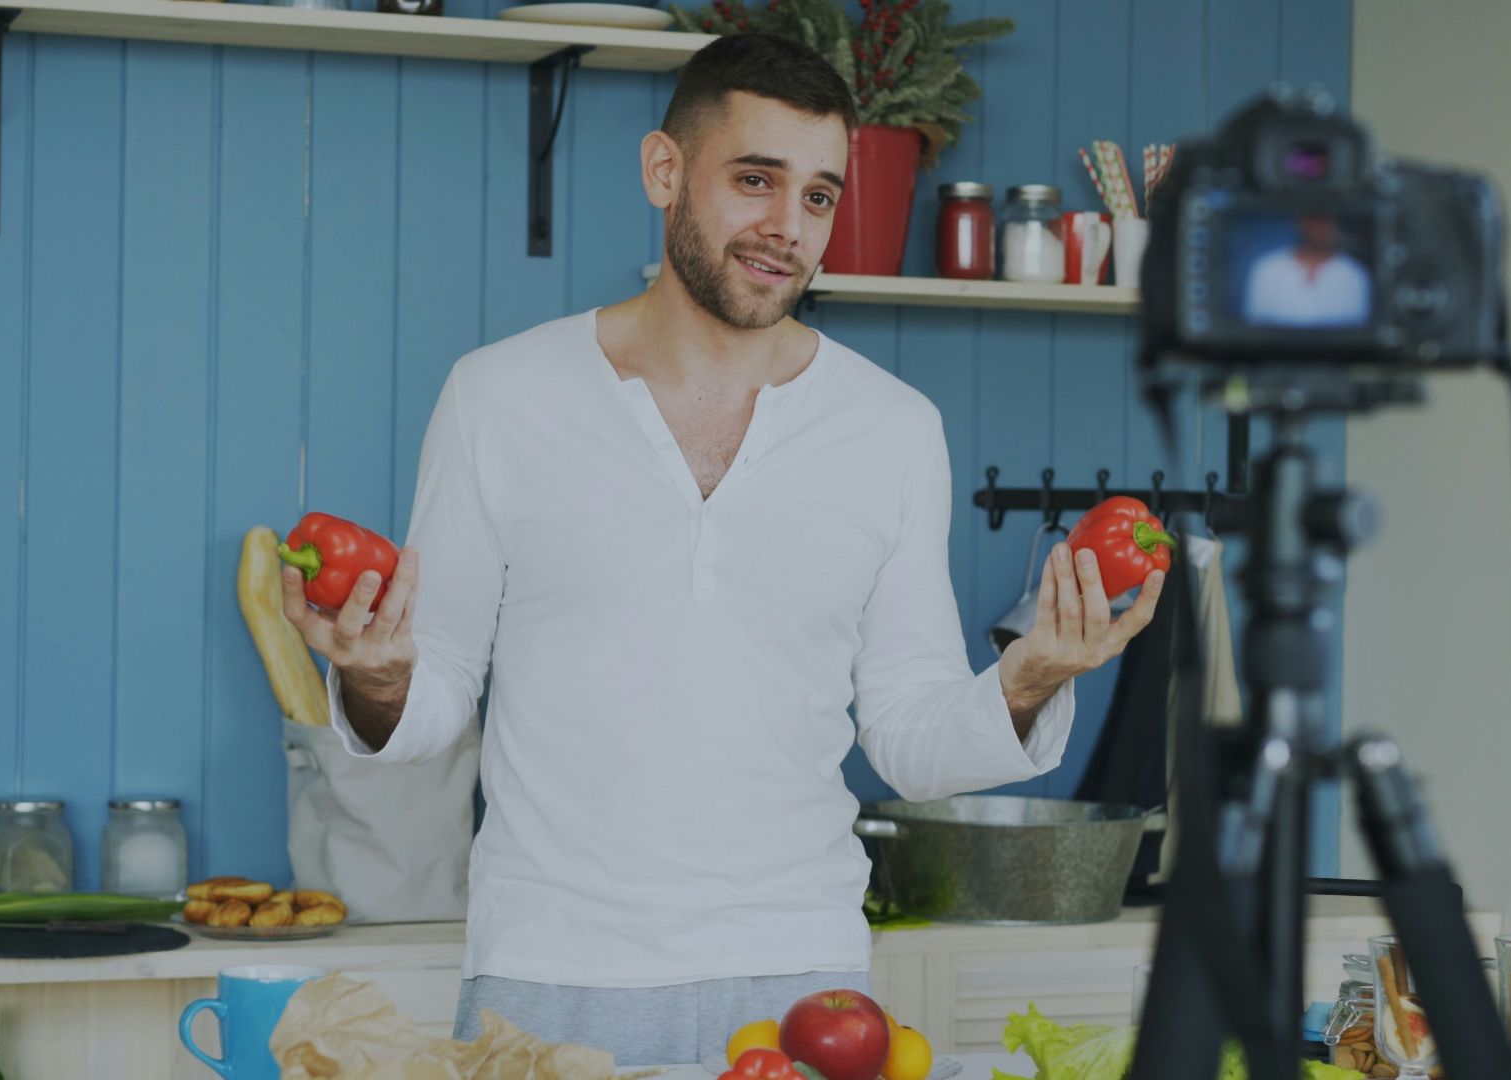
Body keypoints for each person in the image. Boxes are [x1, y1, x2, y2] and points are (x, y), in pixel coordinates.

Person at [279, 32, 1164, 1067]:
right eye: (756, 180)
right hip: (555, 975)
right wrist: (379, 675)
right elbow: (431, 702)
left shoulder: (893, 429)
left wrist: (1027, 679)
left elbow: (910, 735)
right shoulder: (498, 398)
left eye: (820, 198)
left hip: (804, 979)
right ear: (665, 171)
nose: (787, 229)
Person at [1241, 213, 1371, 327]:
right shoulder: (1267, 268)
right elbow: (1254, 326)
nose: (1318, 227)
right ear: (1300, 222)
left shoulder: (1354, 274)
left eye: (1325, 220)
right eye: (1313, 219)